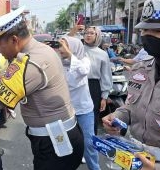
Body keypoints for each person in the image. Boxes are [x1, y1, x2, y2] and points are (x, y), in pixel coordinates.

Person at [0, 6, 84, 170]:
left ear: (14, 40)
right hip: (60, 135)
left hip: (56, 142)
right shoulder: (42, 50)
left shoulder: (27, 64)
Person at [102, 0, 160, 169]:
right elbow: (130, 106)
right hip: (132, 158)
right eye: (144, 30)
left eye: (158, 31)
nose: (148, 36)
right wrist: (118, 117)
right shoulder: (141, 69)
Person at [57, 36, 100, 170]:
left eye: (64, 46)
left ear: (73, 48)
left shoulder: (83, 61)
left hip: (84, 111)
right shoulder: (58, 63)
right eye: (60, 46)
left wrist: (70, 54)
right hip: (64, 112)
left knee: (89, 144)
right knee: (63, 145)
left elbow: (83, 70)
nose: (60, 50)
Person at [70, 25, 113, 135]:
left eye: (91, 33)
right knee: (73, 113)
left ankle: (90, 142)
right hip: (77, 85)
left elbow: (106, 76)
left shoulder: (102, 54)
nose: (88, 35)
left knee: (92, 115)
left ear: (97, 35)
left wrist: (104, 97)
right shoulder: (78, 49)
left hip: (93, 87)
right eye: (86, 33)